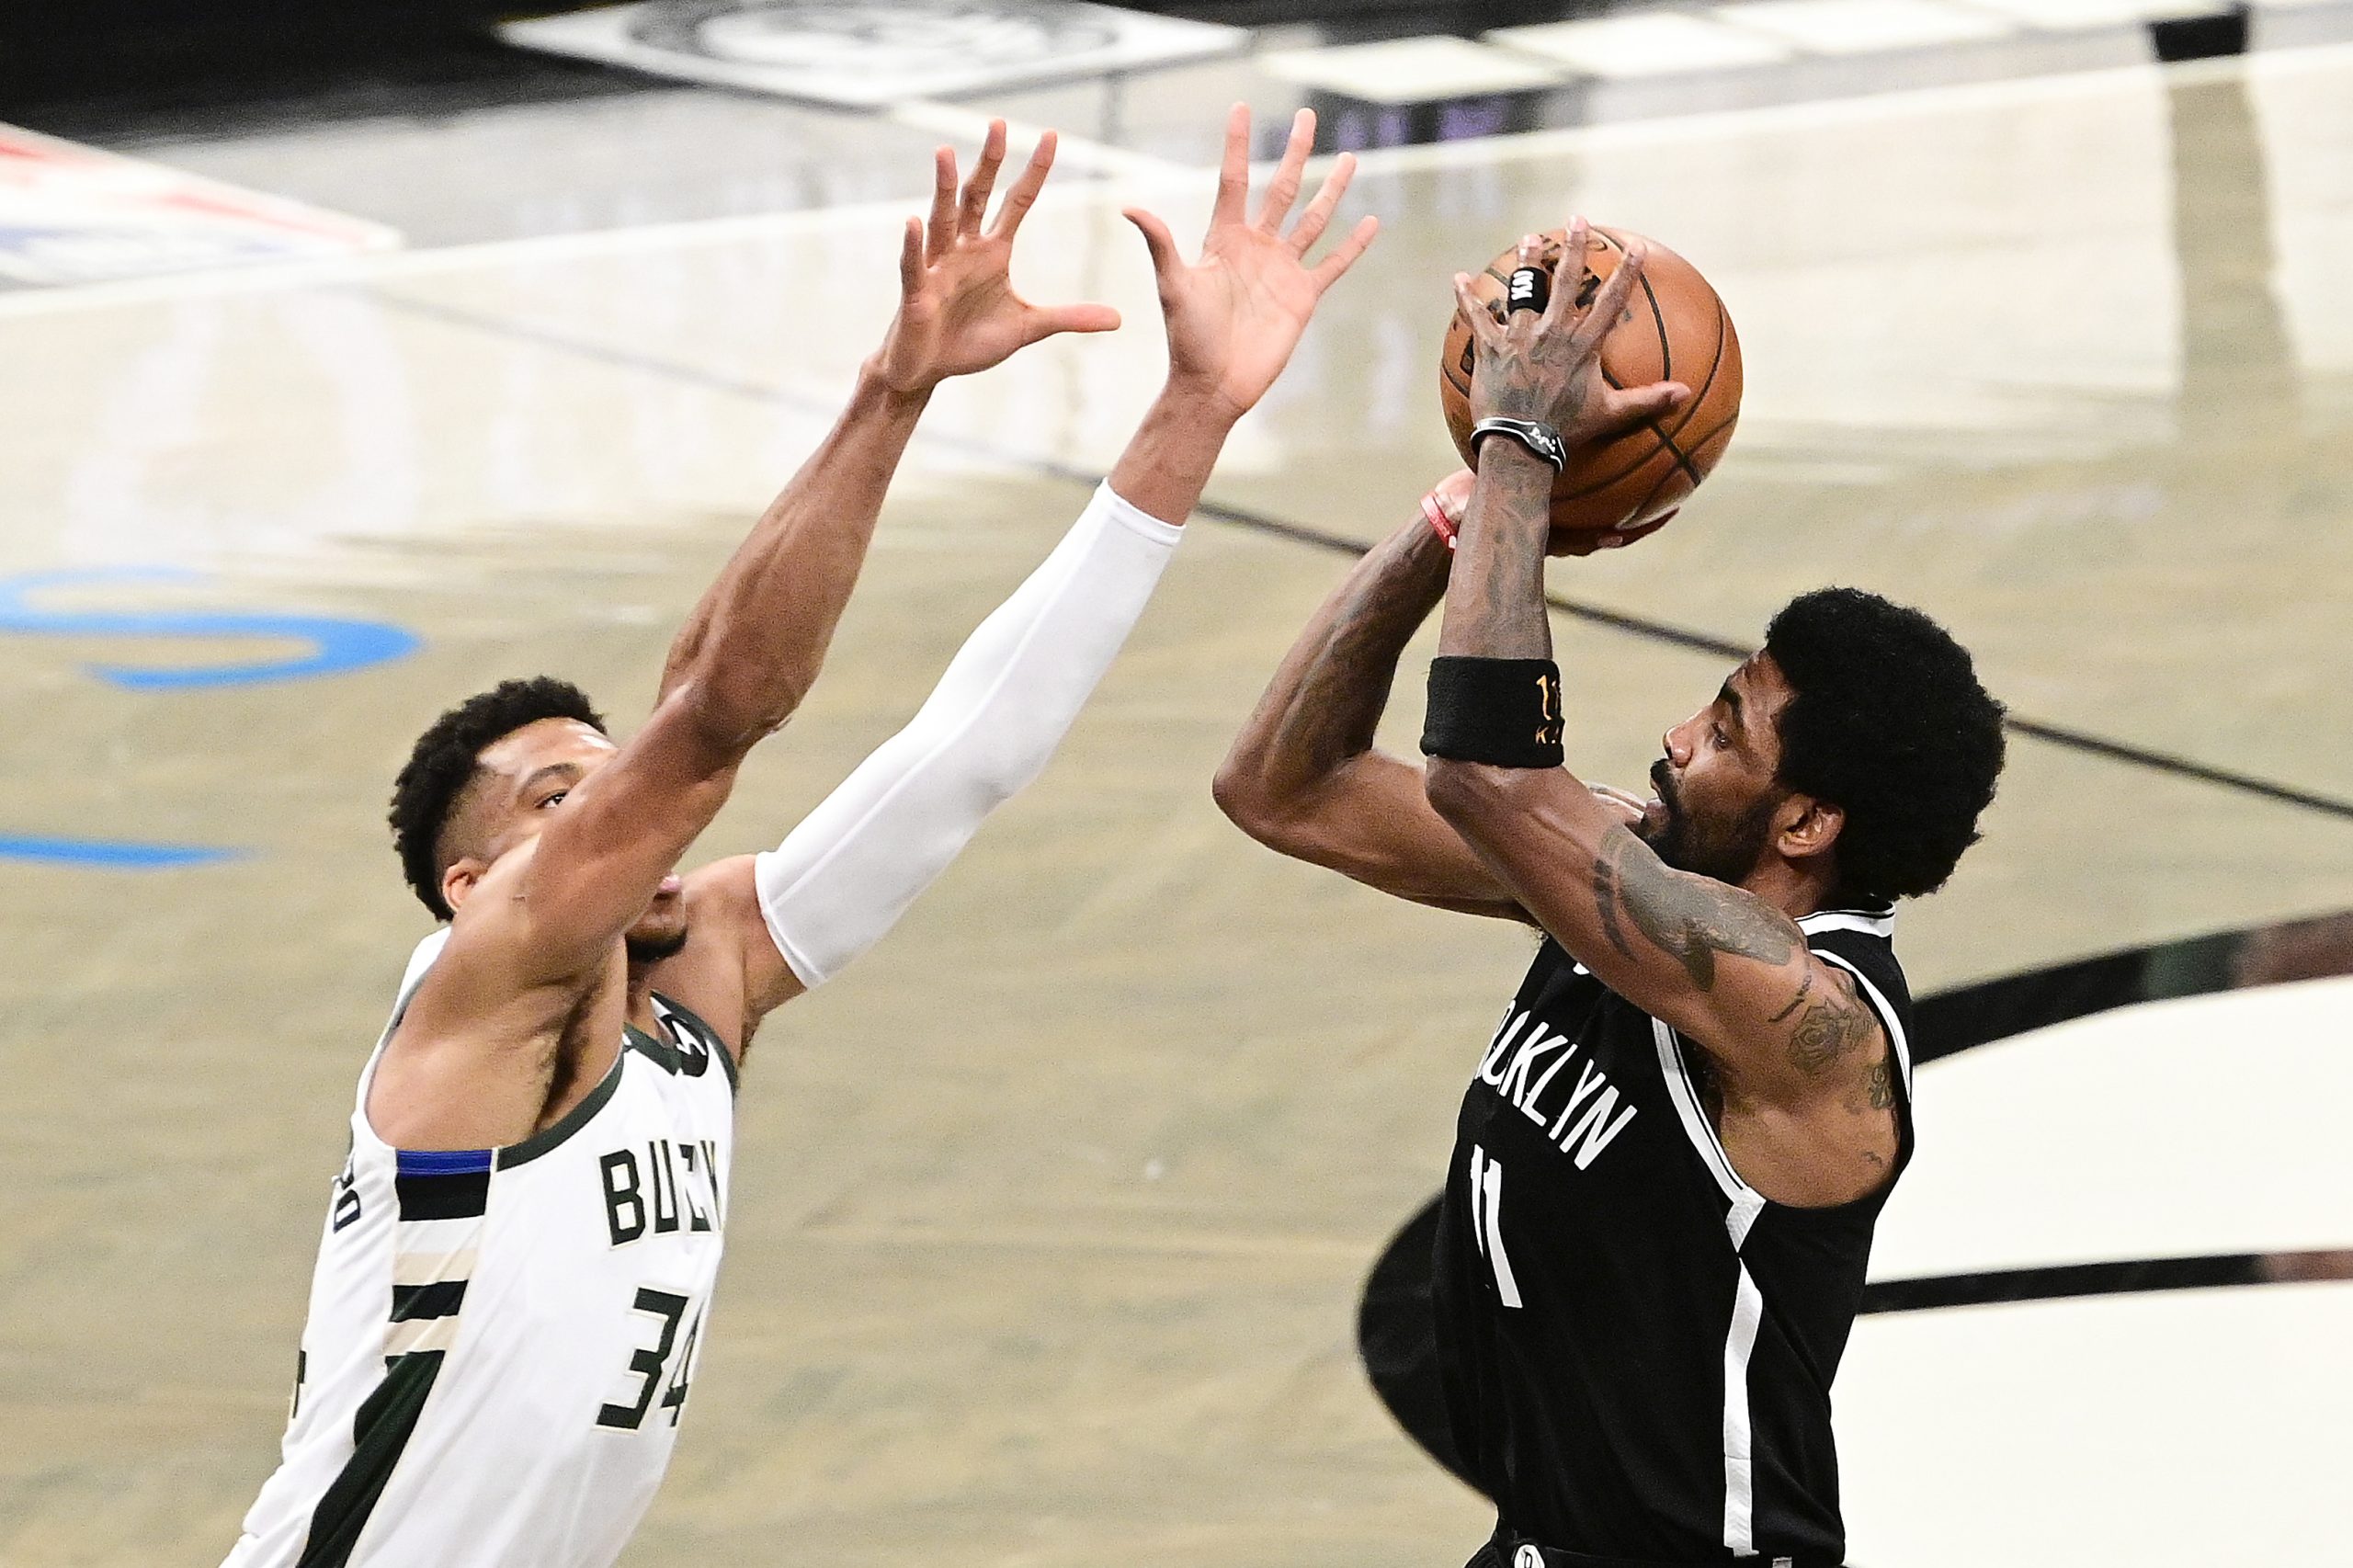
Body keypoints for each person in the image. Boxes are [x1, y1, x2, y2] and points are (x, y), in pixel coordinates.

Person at [223, 105, 1377, 1568]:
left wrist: (1192, 414)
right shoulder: (487, 988)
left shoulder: (697, 985)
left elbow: (966, 755)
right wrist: (894, 394)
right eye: (555, 800)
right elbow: (718, 712)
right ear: (471, 887)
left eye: (608, 776)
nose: (610, 810)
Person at [1215, 222, 2006, 1567]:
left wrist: (1524, 448)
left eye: (1731, 726)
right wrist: (1458, 511)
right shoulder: (1636, 880)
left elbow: (1485, 777)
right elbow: (1285, 783)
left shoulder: (1799, 1019)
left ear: (1808, 822)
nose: (1681, 736)